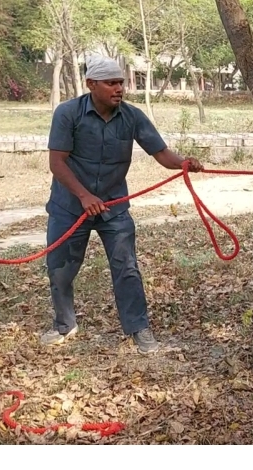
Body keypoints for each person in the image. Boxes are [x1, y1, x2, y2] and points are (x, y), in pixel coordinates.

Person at [40, 55, 204, 355]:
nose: (119, 88)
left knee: (126, 268)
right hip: (70, 207)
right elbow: (57, 163)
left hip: (113, 208)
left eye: (121, 83)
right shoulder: (68, 114)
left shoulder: (132, 116)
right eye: (111, 83)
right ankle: (64, 324)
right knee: (60, 268)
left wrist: (184, 163)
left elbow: (162, 154)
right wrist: (84, 196)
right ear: (91, 84)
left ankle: (138, 329)